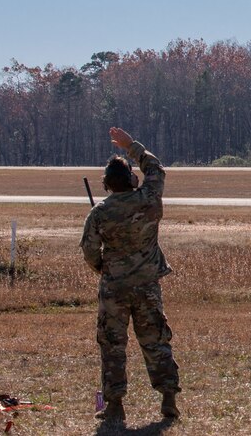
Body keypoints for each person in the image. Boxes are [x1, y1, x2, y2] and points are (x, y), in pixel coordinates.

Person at [81, 127, 181, 423]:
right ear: (131, 179)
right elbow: (157, 169)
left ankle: (114, 405)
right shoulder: (148, 199)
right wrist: (131, 147)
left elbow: (88, 249)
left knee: (113, 345)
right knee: (155, 341)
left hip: (114, 288)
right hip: (147, 286)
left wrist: (103, 268)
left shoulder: (100, 212)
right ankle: (168, 399)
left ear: (107, 185)